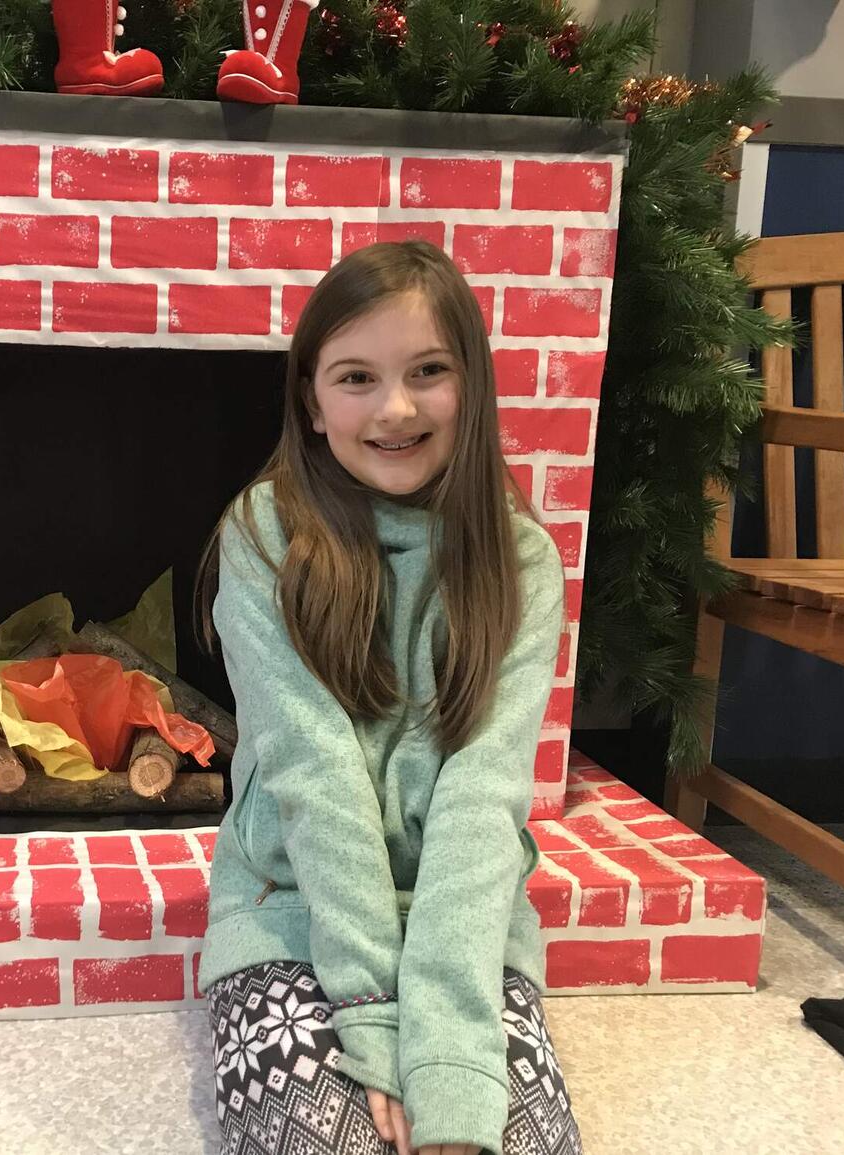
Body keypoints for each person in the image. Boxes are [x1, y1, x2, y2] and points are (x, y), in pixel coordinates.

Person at [194, 241, 581, 1155]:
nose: (395, 408)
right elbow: (314, 772)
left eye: (428, 372)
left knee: (504, 1140)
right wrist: (371, 1015)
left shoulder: (522, 562)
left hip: (463, 927)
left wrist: (446, 1055)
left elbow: (483, 801)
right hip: (292, 909)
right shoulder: (264, 534)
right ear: (312, 401)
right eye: (357, 377)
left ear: (471, 385)